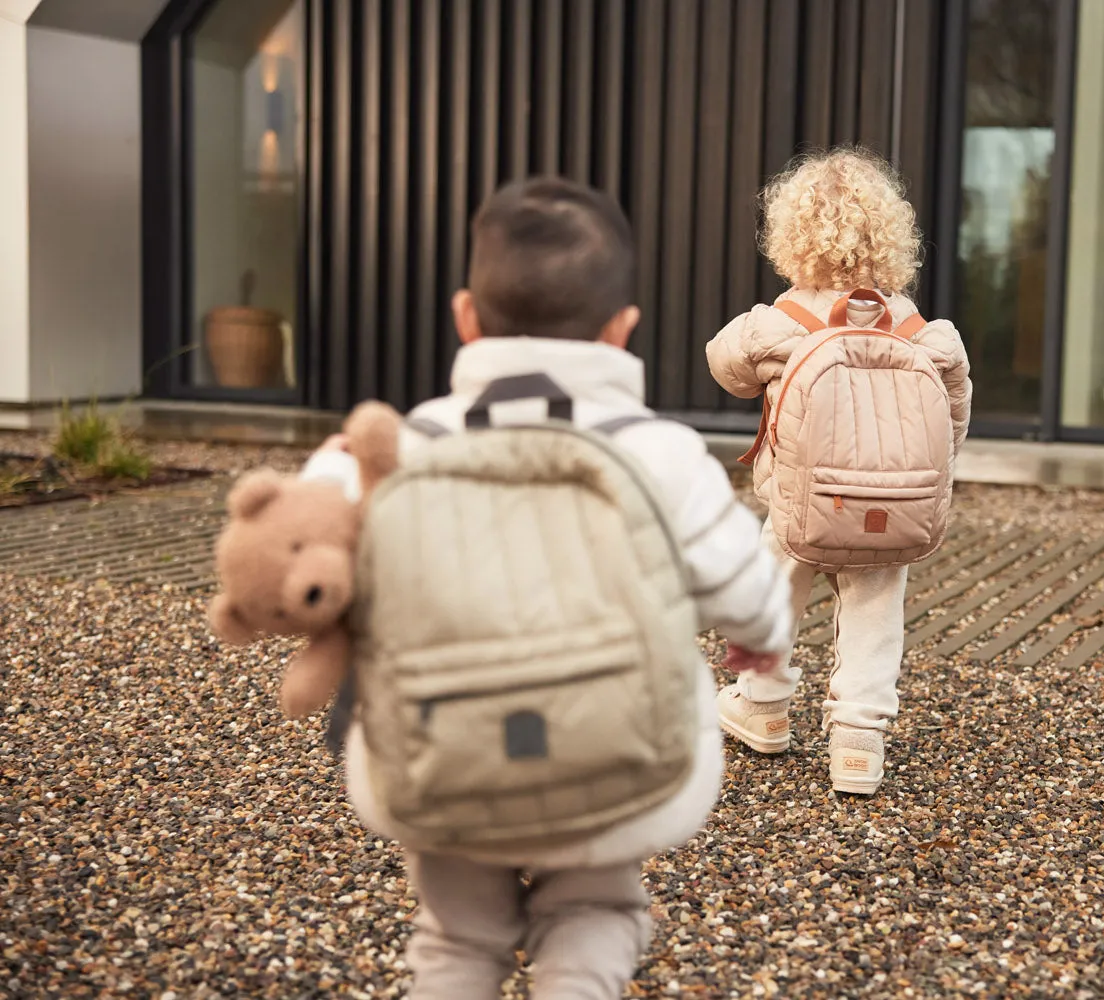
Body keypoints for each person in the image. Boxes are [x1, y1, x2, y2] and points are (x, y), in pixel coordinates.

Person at [299, 177, 792, 1000]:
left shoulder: (404, 445)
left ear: (465, 317)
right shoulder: (660, 452)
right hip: (614, 755)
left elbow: (305, 535)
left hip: (438, 753)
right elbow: (750, 589)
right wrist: (760, 635)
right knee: (597, 908)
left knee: (455, 939)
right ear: (621, 331)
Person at [705, 148, 972, 795]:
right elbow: (953, 417)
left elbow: (724, 364)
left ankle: (763, 706)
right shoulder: (915, 328)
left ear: (792, 237)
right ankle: (858, 739)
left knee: (774, 595)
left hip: (799, 505)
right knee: (876, 613)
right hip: (892, 507)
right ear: (892, 237)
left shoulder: (781, 321)